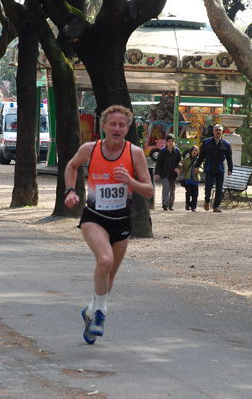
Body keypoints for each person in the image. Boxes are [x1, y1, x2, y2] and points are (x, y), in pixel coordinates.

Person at [64, 105, 154, 345]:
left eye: (122, 125)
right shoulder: (89, 150)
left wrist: (130, 181)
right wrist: (71, 190)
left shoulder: (135, 153)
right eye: (112, 124)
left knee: (109, 275)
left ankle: (90, 312)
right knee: (105, 260)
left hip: (121, 221)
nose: (117, 128)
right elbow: (71, 166)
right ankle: (101, 314)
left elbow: (149, 190)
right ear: (103, 126)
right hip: (94, 217)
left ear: (127, 128)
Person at [194, 123, 233, 213]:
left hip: (220, 168)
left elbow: (229, 158)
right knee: (208, 187)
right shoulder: (206, 142)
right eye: (216, 130)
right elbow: (201, 156)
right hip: (209, 167)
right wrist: (197, 166)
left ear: (222, 132)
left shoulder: (226, 145)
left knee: (219, 188)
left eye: (220, 130)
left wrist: (230, 169)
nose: (218, 132)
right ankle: (207, 200)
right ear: (213, 131)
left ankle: (216, 206)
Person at [154, 133, 182, 210]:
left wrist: (178, 167)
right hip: (164, 174)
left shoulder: (176, 151)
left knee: (172, 190)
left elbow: (180, 161)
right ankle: (165, 203)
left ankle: (171, 204)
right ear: (166, 142)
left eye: (172, 141)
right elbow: (159, 163)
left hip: (173, 174)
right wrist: (157, 173)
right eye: (169, 141)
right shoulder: (162, 151)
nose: (171, 143)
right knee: (166, 188)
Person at [181, 145, 201, 211]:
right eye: (193, 150)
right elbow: (183, 169)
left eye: (196, 150)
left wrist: (199, 170)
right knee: (188, 192)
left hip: (196, 179)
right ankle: (188, 204)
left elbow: (202, 168)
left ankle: (193, 206)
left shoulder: (199, 160)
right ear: (190, 152)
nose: (194, 152)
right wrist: (179, 169)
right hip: (188, 179)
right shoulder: (186, 160)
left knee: (195, 194)